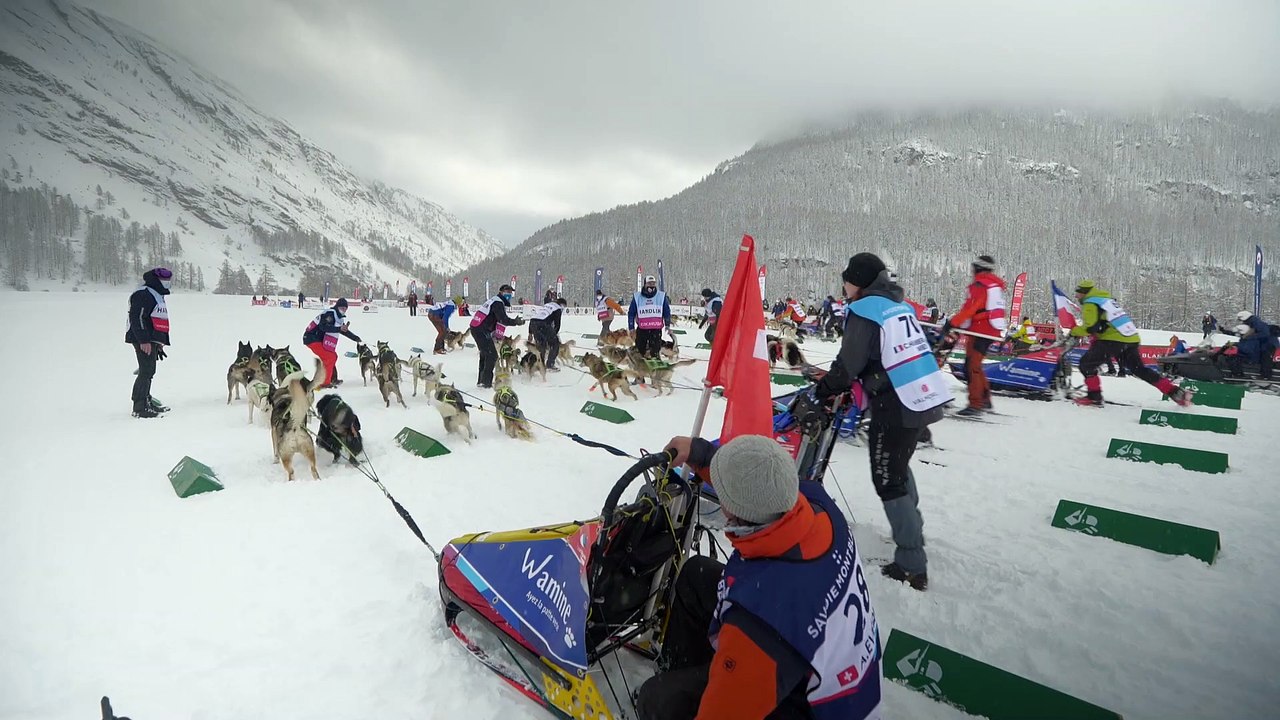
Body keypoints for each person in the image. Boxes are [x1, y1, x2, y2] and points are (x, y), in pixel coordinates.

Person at [636, 434, 881, 720]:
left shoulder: (762, 624)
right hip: (825, 664)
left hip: (812, 707)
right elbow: (757, 483)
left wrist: (730, 683)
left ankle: (693, 697)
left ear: (736, 512)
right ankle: (689, 675)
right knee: (696, 576)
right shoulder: (814, 503)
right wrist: (700, 454)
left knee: (658, 700)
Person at [790, 252, 948, 591]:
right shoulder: (896, 304)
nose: (843, 286)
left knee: (887, 478)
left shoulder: (865, 309)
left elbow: (850, 364)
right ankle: (912, 531)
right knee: (897, 464)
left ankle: (911, 563)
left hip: (898, 403)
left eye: (845, 279)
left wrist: (825, 389)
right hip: (924, 393)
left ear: (858, 281)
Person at [1069, 281, 1192, 406]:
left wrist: (1073, 331)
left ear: (1084, 293)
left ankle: (1094, 397)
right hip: (1130, 338)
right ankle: (1176, 393)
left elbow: (1090, 327)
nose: (1076, 296)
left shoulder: (1090, 302)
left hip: (1113, 340)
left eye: (1078, 293)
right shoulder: (1105, 300)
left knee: (1086, 364)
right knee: (1139, 370)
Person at [942, 255, 1007, 416]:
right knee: (974, 365)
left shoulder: (980, 285)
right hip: (990, 329)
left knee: (971, 366)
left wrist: (952, 323)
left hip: (980, 330)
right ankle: (984, 400)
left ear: (978, 268)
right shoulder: (994, 285)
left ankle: (976, 404)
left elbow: (971, 309)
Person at [125, 267, 174, 418]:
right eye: (165, 279)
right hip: (142, 339)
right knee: (146, 371)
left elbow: (157, 318)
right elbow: (137, 318)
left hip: (151, 339)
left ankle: (147, 400)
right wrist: (144, 340)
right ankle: (139, 407)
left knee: (149, 370)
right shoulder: (143, 293)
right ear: (157, 279)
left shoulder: (156, 294)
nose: (167, 282)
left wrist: (159, 341)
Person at [470, 283, 525, 388]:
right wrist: (516, 322)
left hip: (477, 327)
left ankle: (481, 381)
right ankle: (486, 383)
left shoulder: (495, 300)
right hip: (481, 329)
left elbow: (498, 320)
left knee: (485, 354)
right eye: (507, 292)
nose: (509, 294)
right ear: (501, 292)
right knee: (492, 355)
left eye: (510, 292)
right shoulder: (498, 302)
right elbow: (502, 319)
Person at [302, 298, 362, 388]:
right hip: (311, 338)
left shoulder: (338, 317)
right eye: (342, 308)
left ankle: (332, 379)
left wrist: (355, 338)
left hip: (317, 339)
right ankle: (324, 383)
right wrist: (339, 329)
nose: (344, 310)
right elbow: (323, 327)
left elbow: (342, 330)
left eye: (345, 309)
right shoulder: (330, 314)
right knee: (330, 357)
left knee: (332, 356)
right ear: (337, 306)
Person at [1224, 310, 1276, 380]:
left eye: (1241, 319)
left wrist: (1250, 337)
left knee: (1265, 359)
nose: (1241, 321)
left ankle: (1265, 376)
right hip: (1262, 344)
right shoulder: (1252, 323)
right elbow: (1242, 334)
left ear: (1244, 317)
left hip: (1267, 344)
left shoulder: (1256, 322)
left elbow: (1265, 333)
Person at [629, 275, 671, 358]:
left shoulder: (661, 296)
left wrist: (667, 325)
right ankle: (640, 369)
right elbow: (631, 313)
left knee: (655, 352)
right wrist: (631, 327)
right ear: (645, 284)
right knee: (639, 352)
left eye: (653, 283)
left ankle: (655, 369)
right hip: (642, 329)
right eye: (649, 283)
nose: (651, 285)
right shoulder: (637, 297)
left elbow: (666, 311)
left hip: (655, 329)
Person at [528, 297, 567, 371]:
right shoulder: (558, 309)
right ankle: (550, 364)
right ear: (562, 305)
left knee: (541, 345)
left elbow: (534, 317)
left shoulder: (546, 305)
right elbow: (557, 324)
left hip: (533, 323)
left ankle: (539, 364)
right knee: (555, 344)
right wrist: (553, 336)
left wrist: (530, 333)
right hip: (543, 324)